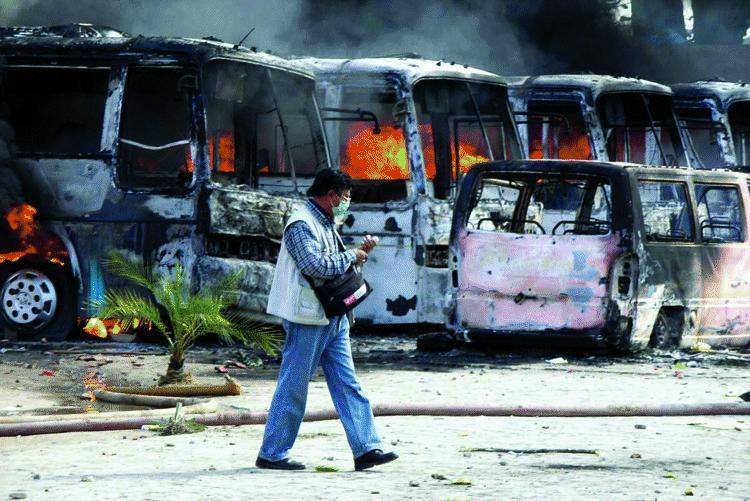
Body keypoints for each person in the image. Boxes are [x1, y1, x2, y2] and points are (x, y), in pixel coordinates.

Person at [257, 168, 398, 471]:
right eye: (345, 197)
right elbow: (315, 265)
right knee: (294, 385)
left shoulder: (324, 223)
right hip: (307, 317)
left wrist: (356, 253)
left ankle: (367, 449)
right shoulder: (300, 224)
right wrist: (352, 256)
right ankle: (272, 453)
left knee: (348, 384)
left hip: (332, 315)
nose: (347, 203)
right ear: (331, 195)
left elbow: (329, 264)